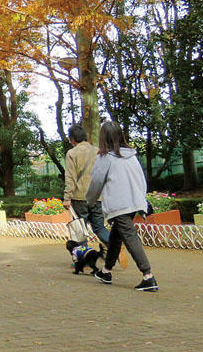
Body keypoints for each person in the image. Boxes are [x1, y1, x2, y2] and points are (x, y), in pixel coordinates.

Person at [86, 120, 158, 291]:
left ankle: (148, 276)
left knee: (130, 237)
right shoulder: (131, 156)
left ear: (103, 138)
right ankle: (106, 271)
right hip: (134, 203)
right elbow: (141, 180)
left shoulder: (105, 158)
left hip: (119, 206)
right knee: (115, 237)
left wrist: (89, 201)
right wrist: (141, 199)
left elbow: (96, 182)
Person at [63, 124, 110, 246]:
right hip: (97, 197)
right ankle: (115, 245)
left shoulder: (72, 153)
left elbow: (70, 177)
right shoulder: (98, 151)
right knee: (100, 228)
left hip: (80, 197)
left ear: (72, 139)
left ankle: (84, 258)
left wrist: (67, 198)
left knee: (80, 231)